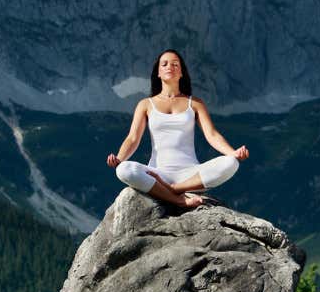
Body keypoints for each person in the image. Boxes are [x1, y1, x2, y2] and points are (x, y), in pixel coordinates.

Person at [107, 49, 249, 207]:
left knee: (231, 163)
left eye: (175, 64)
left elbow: (212, 135)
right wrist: (119, 159)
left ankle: (175, 189)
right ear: (158, 73)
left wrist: (233, 153)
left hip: (190, 175)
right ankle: (178, 200)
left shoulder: (195, 103)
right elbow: (133, 138)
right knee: (123, 169)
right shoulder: (145, 104)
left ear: (181, 72)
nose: (170, 67)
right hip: (157, 174)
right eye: (164, 64)